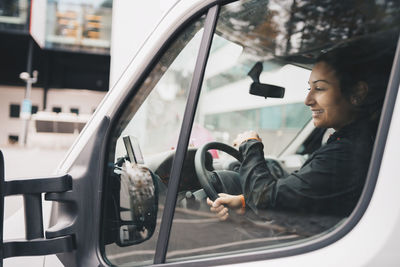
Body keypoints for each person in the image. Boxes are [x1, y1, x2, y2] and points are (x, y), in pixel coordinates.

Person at [207, 41, 395, 221]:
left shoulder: (346, 152)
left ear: (357, 94)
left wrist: (250, 145)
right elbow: (306, 196)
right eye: (309, 88)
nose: (308, 100)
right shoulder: (355, 141)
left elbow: (264, 200)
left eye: (319, 88)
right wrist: (243, 202)